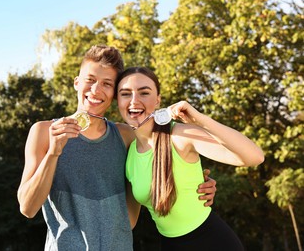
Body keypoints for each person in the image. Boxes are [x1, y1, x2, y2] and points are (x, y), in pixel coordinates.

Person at [17, 45, 217, 250]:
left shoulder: (127, 136)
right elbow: (27, 207)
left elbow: (130, 218)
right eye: (90, 80)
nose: (96, 90)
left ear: (114, 94)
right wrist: (54, 152)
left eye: (106, 83)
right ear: (77, 82)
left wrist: (200, 184)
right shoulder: (44, 132)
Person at [116, 66, 265, 251]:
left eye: (144, 92)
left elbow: (255, 156)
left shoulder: (179, 135)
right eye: (125, 94)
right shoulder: (130, 155)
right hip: (170, 245)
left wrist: (199, 120)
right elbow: (128, 220)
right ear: (118, 101)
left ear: (158, 100)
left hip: (214, 243)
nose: (134, 101)